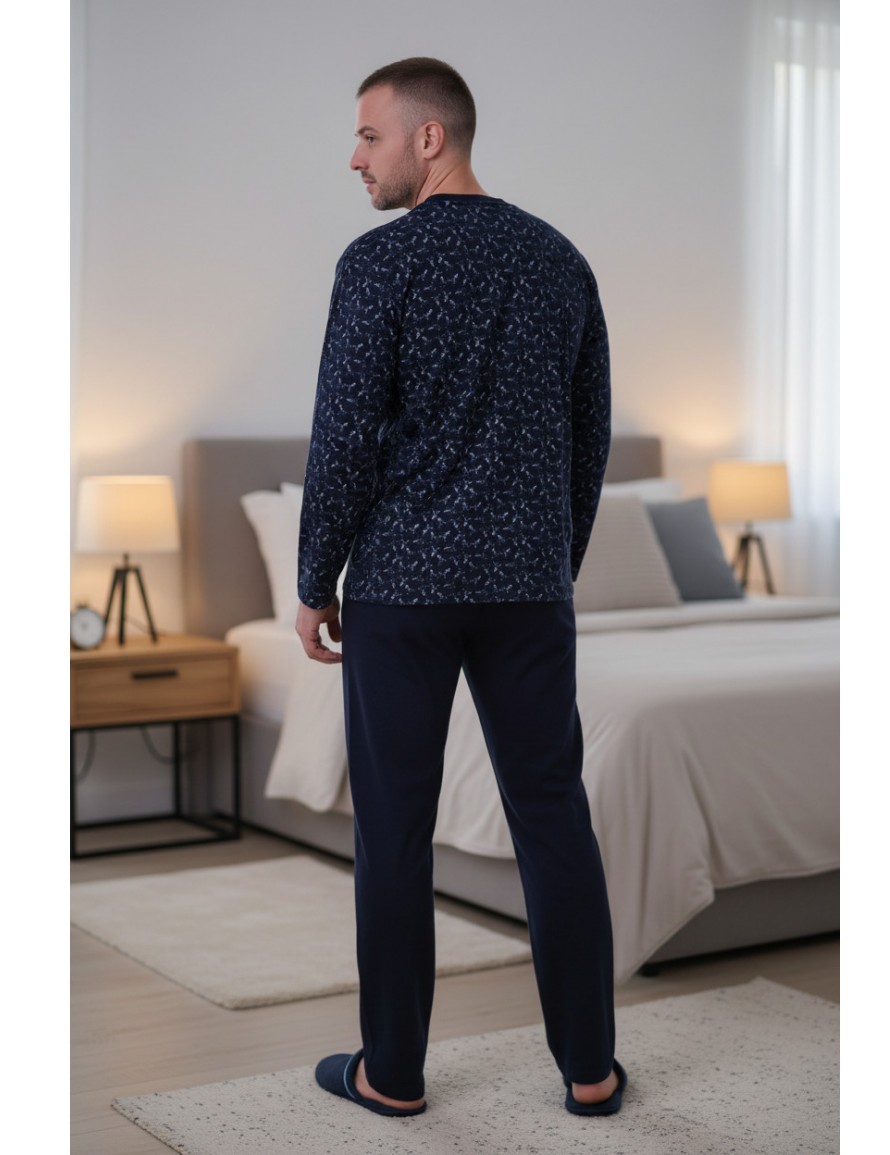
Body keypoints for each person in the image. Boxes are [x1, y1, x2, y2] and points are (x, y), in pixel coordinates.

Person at [295, 56, 626, 1119]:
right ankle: (590, 1070)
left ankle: (391, 1074)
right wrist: (551, 564)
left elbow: (343, 436)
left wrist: (314, 578)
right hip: (526, 589)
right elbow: (588, 439)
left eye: (369, 136)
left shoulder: (378, 263)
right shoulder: (559, 260)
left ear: (429, 137)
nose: (356, 158)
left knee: (393, 828)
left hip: (403, 591)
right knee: (553, 816)